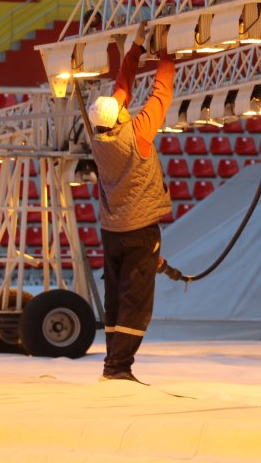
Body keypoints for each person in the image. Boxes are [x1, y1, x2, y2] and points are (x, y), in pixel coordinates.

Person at [87, 21, 175, 383]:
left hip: (113, 232)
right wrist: (167, 51)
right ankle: (118, 368)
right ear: (118, 118)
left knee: (115, 299)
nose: (124, 106)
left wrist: (137, 47)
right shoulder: (137, 134)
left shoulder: (99, 137)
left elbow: (120, 89)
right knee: (135, 302)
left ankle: (113, 363)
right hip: (140, 232)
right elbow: (162, 93)